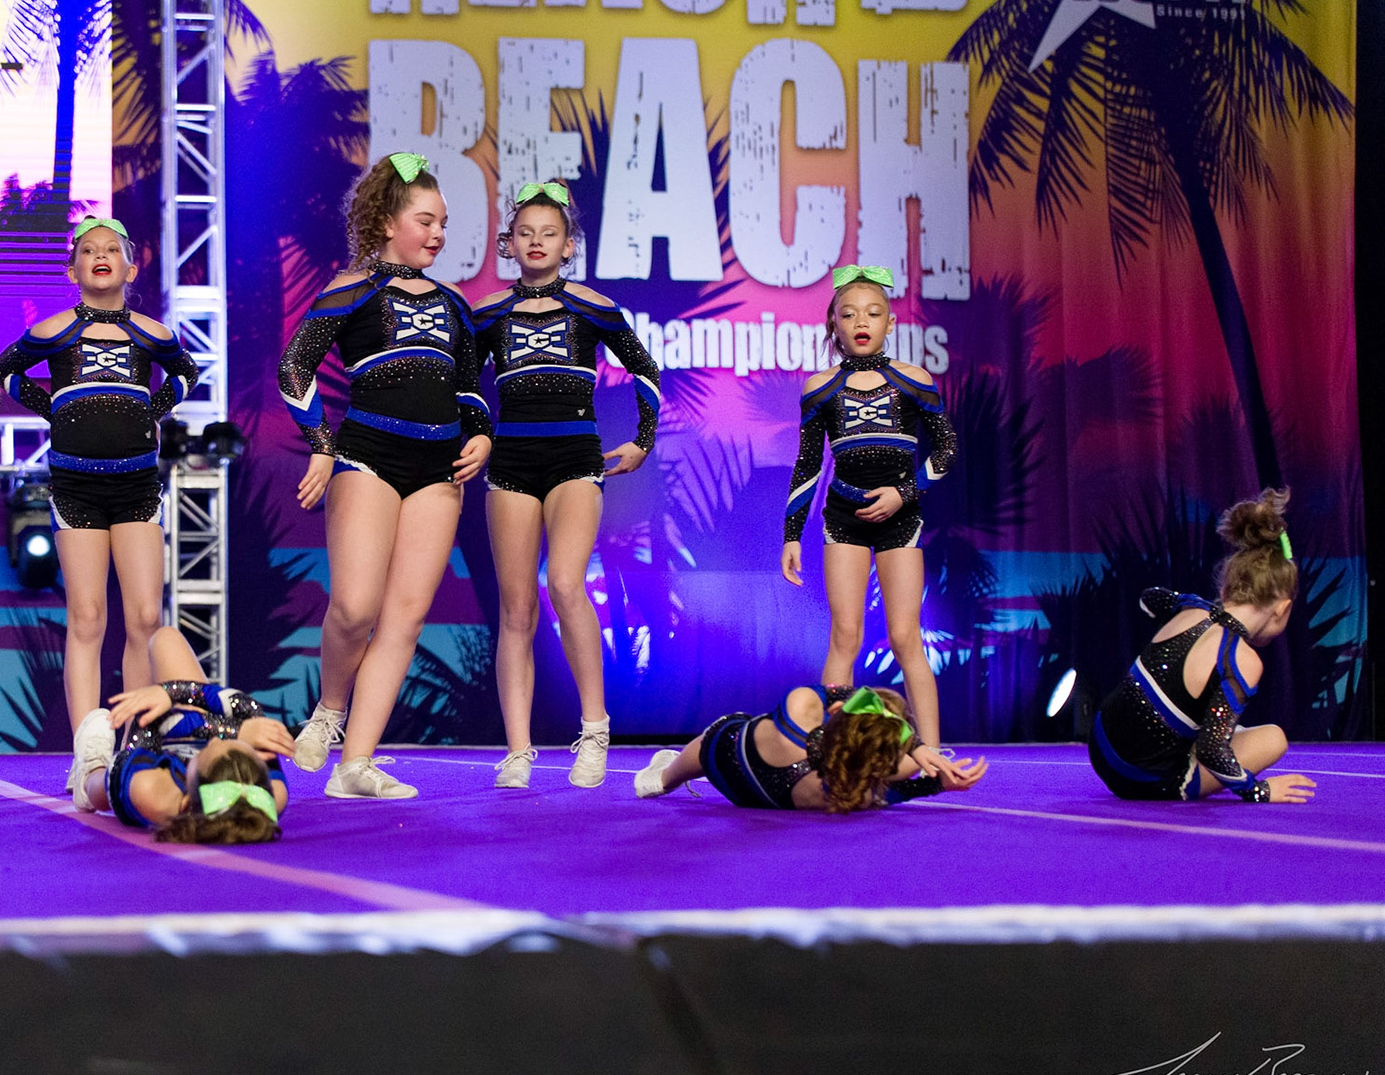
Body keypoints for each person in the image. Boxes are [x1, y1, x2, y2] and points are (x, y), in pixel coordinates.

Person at [277, 153, 492, 799]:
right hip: (367, 456)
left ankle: (355, 765)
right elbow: (294, 367)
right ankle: (329, 710)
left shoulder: (455, 304)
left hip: (439, 470)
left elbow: (468, 389)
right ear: (387, 222)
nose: (439, 234)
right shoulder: (352, 289)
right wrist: (321, 445)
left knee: (403, 618)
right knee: (354, 608)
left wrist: (481, 433)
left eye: (444, 223)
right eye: (426, 220)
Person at [0, 217, 199, 802]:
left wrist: (151, 411)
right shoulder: (55, 330)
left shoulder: (151, 332)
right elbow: (5, 371)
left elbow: (186, 373)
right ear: (73, 269)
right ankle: (89, 753)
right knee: (86, 618)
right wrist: (54, 406)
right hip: (76, 487)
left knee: (144, 618)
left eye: (112, 249)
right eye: (88, 250)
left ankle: (134, 746)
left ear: (131, 267)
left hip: (136, 487)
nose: (100, 255)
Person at [470, 181, 660, 788]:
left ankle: (594, 730)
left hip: (575, 457)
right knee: (516, 607)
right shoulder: (488, 313)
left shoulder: (590, 306)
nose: (536, 242)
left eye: (548, 233)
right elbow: (464, 388)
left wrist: (642, 440)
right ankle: (518, 751)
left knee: (565, 582)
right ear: (509, 243)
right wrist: (478, 433)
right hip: (511, 462)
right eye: (525, 233)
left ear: (568, 245)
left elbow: (646, 370)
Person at [781, 266, 959, 781]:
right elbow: (807, 466)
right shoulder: (821, 388)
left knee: (905, 636)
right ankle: (831, 755)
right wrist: (791, 535)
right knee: (845, 635)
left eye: (873, 313)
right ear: (834, 324)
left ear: (890, 322)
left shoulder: (913, 379)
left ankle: (932, 754)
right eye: (850, 314)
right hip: (844, 519)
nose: (862, 322)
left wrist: (904, 493)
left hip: (901, 519)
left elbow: (947, 448)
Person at [1089, 489, 1314, 803]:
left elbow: (1148, 598)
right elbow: (1212, 750)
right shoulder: (1242, 660)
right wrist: (1259, 790)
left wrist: (1179, 604)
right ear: (1282, 609)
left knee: (1211, 719)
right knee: (1273, 739)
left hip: (1100, 745)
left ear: (1225, 589)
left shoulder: (1192, 608)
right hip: (1139, 778)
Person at [70, 626, 294, 844]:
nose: (214, 740)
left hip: (141, 756)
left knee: (99, 791)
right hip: (188, 746)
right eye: (226, 741)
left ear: (187, 799)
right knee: (166, 639)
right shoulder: (273, 794)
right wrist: (237, 731)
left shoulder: (150, 790)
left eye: (207, 748)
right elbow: (249, 709)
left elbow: (149, 725)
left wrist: (169, 694)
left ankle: (89, 770)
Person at [634, 684, 987, 812]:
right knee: (908, 767)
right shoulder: (845, 792)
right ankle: (667, 773)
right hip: (747, 795)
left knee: (667, 776)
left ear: (839, 711)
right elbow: (895, 794)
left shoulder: (800, 709)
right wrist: (935, 782)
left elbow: (838, 692)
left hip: (720, 752)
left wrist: (915, 743)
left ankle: (667, 776)